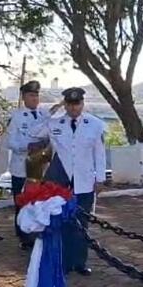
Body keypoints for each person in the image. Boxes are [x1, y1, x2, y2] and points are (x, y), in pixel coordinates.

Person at [28, 87, 106, 276]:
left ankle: (79, 262)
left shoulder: (94, 124)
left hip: (84, 181)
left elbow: (99, 153)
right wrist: (51, 112)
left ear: (82, 104)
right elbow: (34, 133)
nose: (73, 108)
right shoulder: (56, 122)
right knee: (61, 223)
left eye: (77, 104)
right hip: (60, 182)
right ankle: (62, 263)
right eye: (70, 104)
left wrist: (100, 178)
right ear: (66, 105)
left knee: (81, 223)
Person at [6, 80, 50, 250]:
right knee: (22, 201)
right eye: (31, 95)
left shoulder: (44, 115)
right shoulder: (16, 117)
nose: (35, 98)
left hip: (40, 165)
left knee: (38, 201)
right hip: (21, 166)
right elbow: (11, 142)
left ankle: (37, 230)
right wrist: (27, 146)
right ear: (24, 97)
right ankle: (23, 235)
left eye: (36, 95)